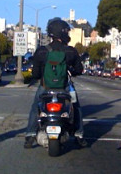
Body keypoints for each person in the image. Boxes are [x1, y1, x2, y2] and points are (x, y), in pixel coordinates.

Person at [24, 18, 86, 149]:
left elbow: (35, 74)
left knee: (36, 107)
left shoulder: (41, 51)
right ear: (63, 33)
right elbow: (79, 70)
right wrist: (70, 71)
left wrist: (42, 75)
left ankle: (29, 136)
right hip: (65, 87)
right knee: (76, 107)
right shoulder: (71, 51)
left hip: (45, 87)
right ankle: (79, 135)